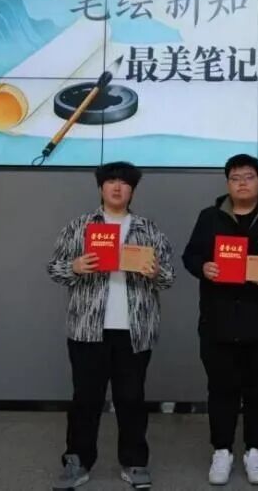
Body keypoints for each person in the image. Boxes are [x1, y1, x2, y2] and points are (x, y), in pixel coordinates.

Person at [47, 161, 175, 490]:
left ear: (132, 190)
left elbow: (168, 278)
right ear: (101, 187)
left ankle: (134, 462)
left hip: (135, 330)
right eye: (111, 182)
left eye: (124, 183)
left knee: (131, 398)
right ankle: (77, 462)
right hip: (87, 328)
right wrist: (75, 266)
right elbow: (54, 268)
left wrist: (155, 272)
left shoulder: (148, 229)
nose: (117, 187)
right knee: (85, 399)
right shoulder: (79, 226)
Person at [182, 153, 258, 486]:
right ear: (227, 183)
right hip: (218, 321)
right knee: (220, 388)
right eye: (235, 178)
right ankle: (222, 450)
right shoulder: (209, 217)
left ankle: (255, 450)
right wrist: (203, 267)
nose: (242, 184)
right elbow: (190, 255)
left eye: (248, 177)